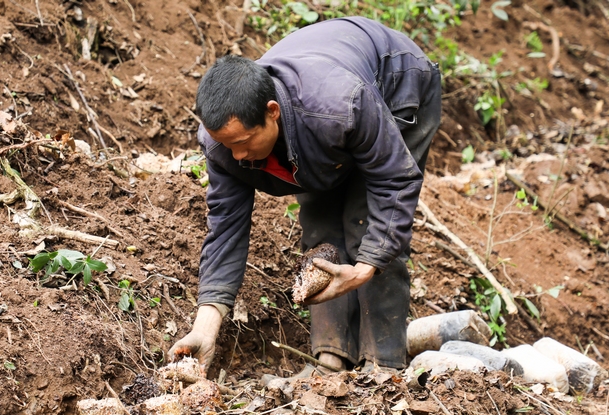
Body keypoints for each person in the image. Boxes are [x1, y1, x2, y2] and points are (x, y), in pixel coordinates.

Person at [168, 16, 442, 374]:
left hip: (398, 81)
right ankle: (331, 359)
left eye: (243, 142)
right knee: (321, 236)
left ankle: (382, 367)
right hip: (323, 115)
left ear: (272, 113)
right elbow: (225, 231)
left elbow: (393, 182)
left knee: (367, 227)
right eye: (226, 144)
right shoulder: (224, 146)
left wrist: (365, 268)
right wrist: (204, 328)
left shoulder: (340, 107)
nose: (236, 155)